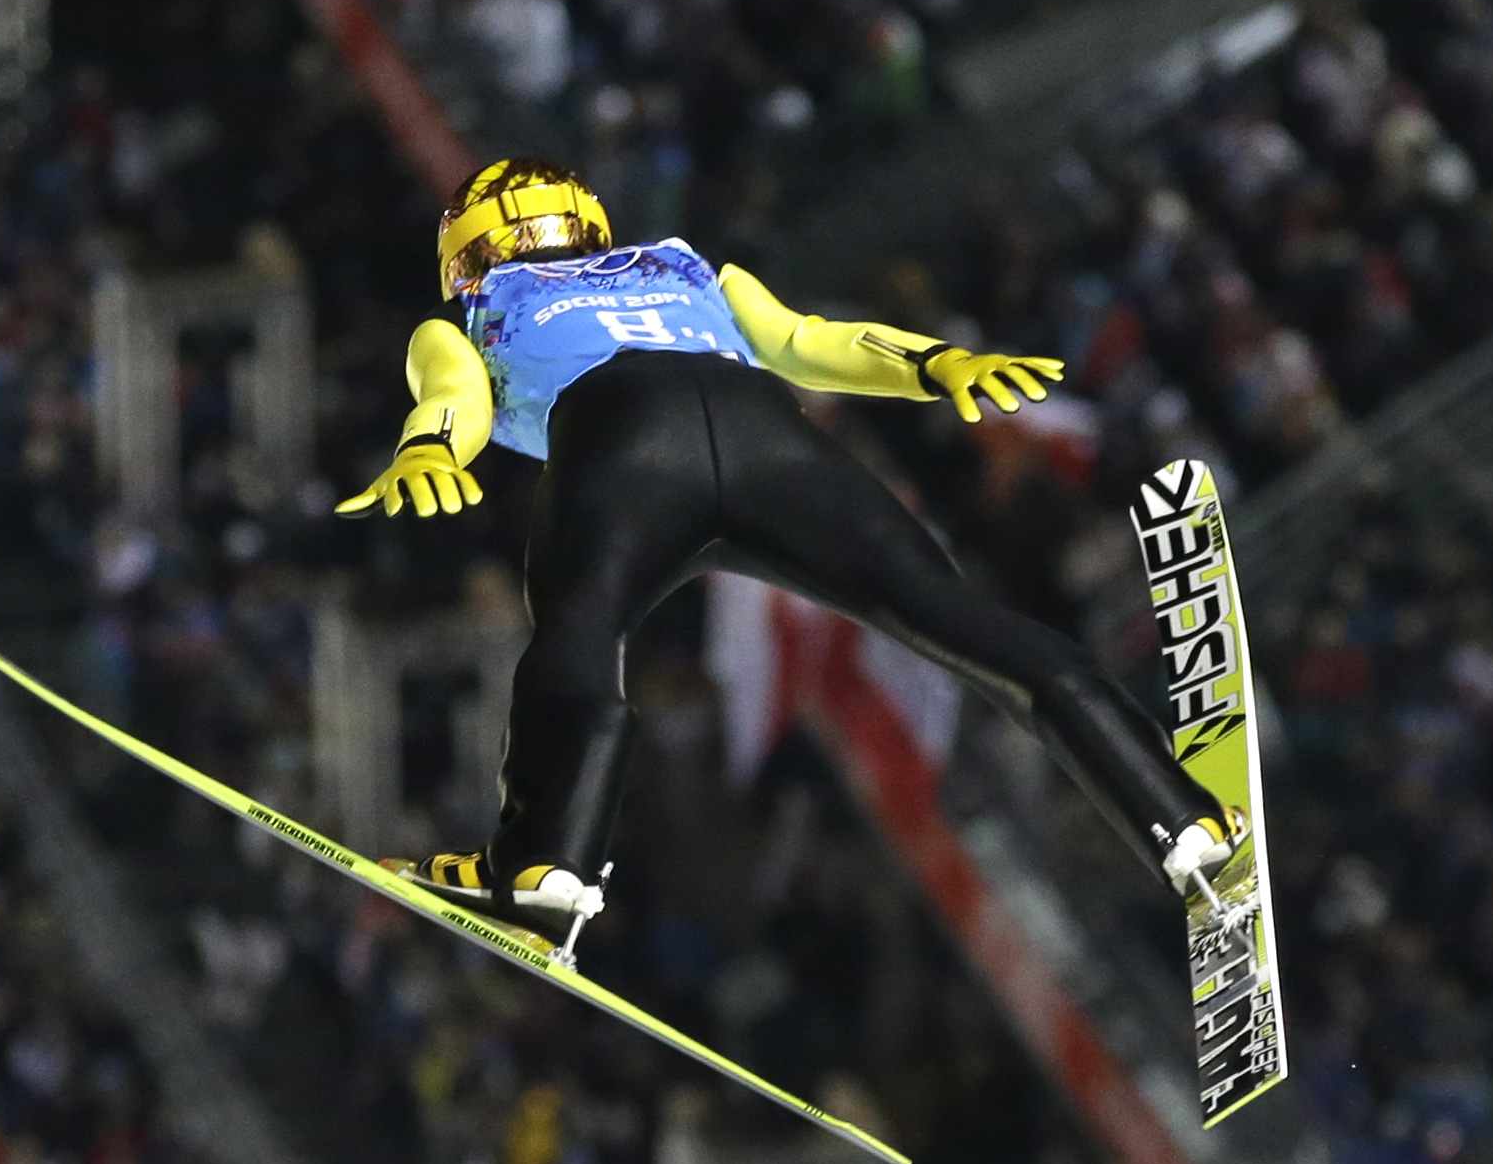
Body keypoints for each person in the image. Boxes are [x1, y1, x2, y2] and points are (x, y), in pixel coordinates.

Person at [339, 158, 1234, 934]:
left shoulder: (475, 311)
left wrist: (429, 447)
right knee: (959, 618)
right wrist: (933, 364)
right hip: (771, 437)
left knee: (578, 638)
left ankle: (546, 869)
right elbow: (807, 343)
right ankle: (1180, 818)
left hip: (624, 440)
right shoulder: (683, 265)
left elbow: (448, 395)